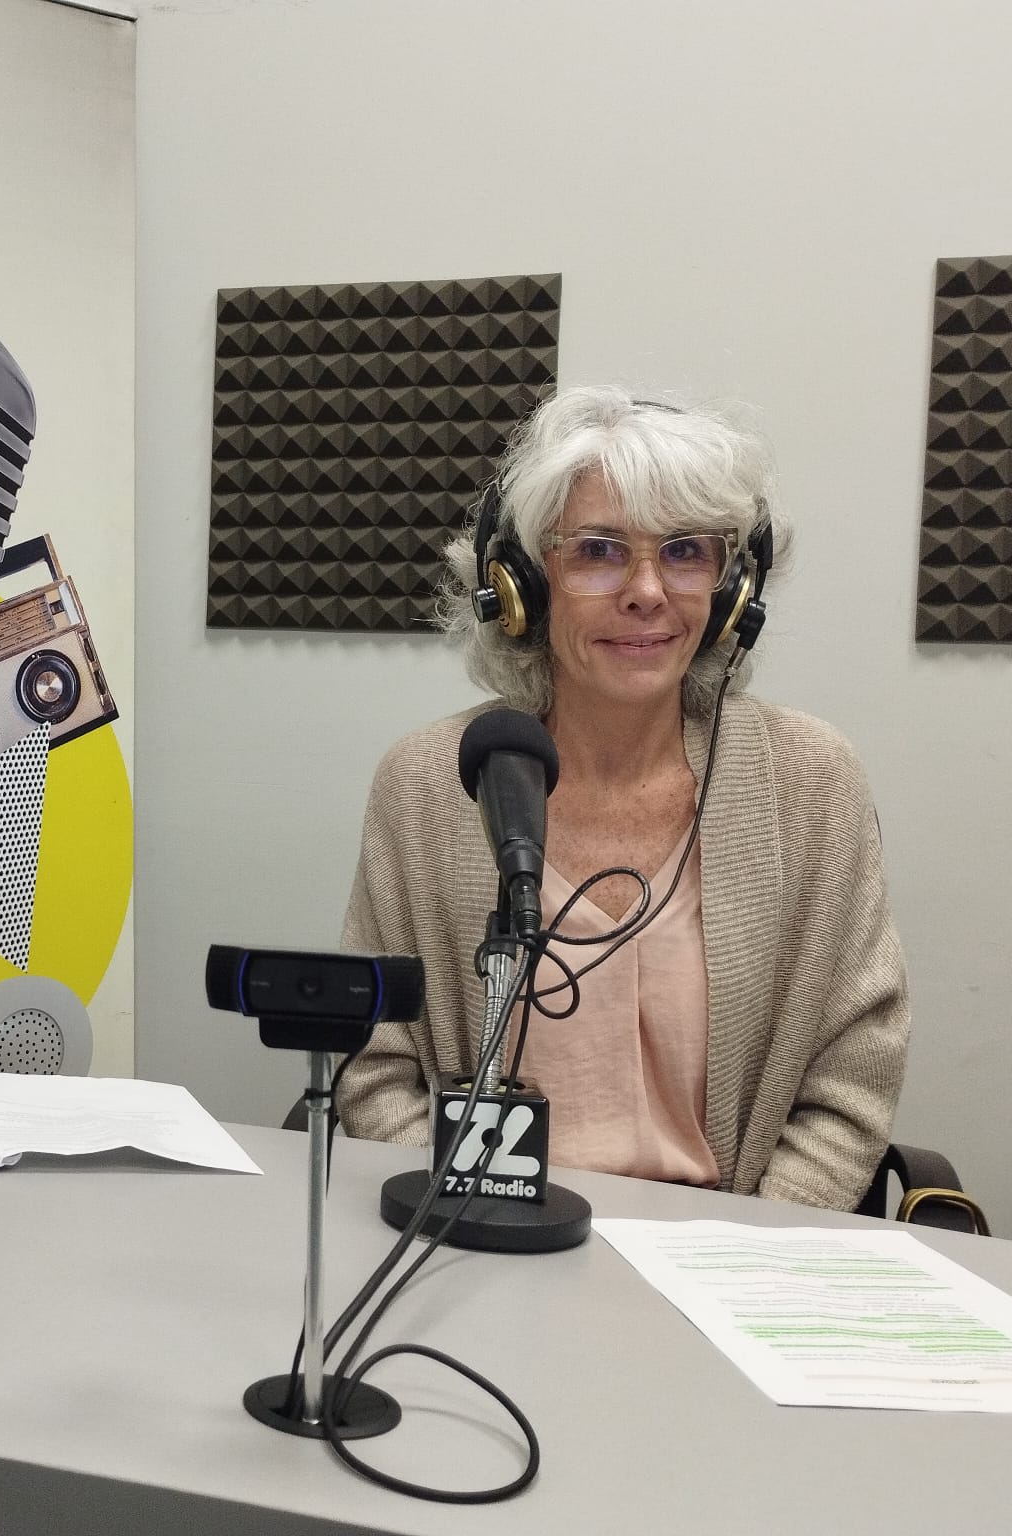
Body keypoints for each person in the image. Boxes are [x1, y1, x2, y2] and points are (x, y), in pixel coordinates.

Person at [335, 386, 908, 1210]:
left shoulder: (812, 780)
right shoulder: (428, 783)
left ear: (731, 588)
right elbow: (378, 1062)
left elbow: (852, 1073)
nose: (647, 591)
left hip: (730, 1257)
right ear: (522, 583)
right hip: (480, 1239)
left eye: (685, 551)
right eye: (599, 550)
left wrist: (755, 1252)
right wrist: (461, 1220)